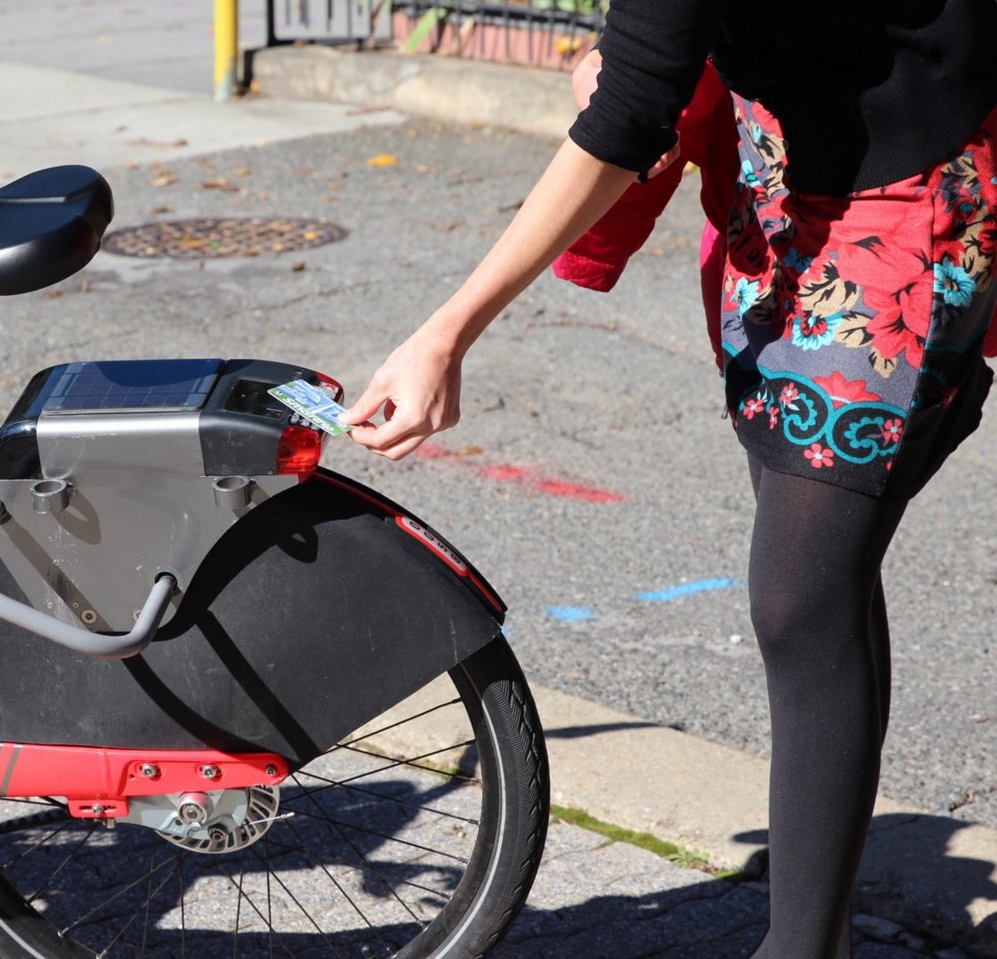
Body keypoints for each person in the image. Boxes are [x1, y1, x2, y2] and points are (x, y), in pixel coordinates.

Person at [337, 3, 997, 957]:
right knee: (824, 583)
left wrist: (447, 332)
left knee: (797, 596)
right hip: (776, 195)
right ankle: (823, 926)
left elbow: (627, 114)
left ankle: (803, 946)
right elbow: (644, 71)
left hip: (913, 202)